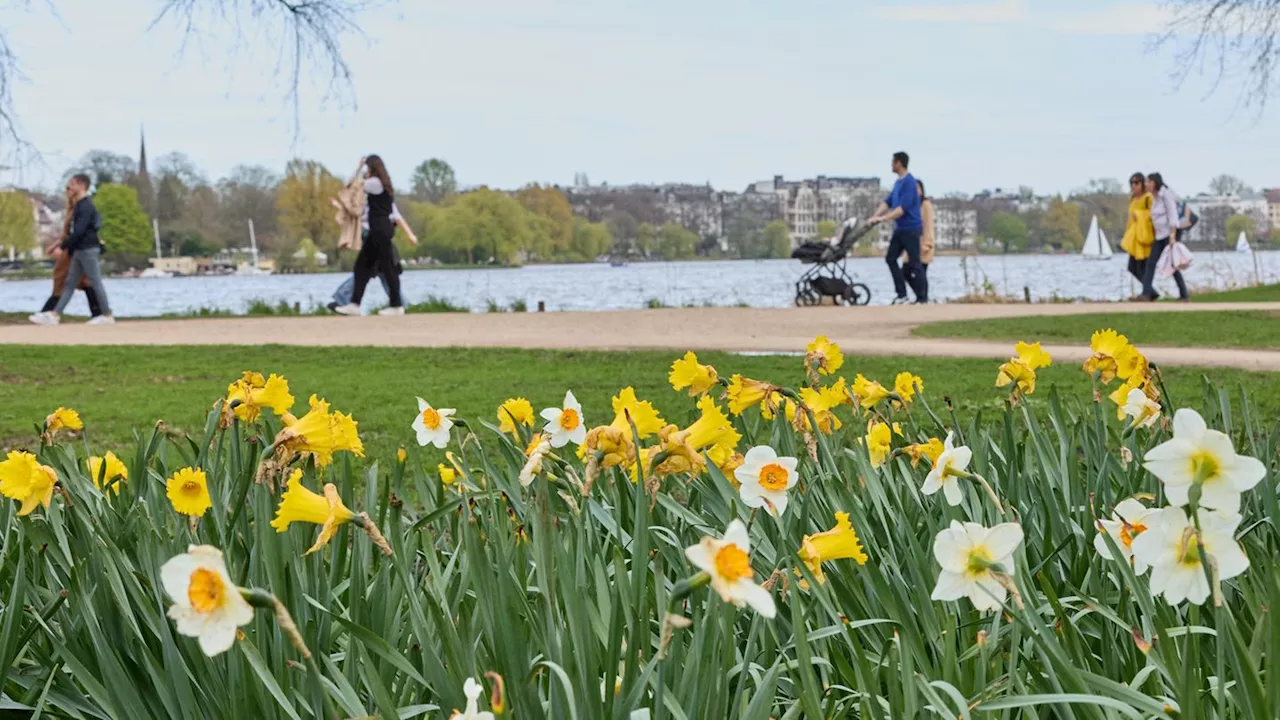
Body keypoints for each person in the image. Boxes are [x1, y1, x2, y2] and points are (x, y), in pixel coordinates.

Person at [331, 155, 417, 316]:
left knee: (384, 268)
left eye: (367, 168)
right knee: (368, 267)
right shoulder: (384, 185)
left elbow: (349, 187)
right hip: (383, 229)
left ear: (371, 168)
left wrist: (357, 169)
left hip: (378, 230)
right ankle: (357, 304)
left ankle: (394, 305)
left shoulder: (374, 183)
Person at [29, 174, 115, 325]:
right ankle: (55, 315)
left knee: (94, 282)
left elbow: (80, 230)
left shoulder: (86, 205)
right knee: (69, 283)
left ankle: (106, 315)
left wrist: (63, 247)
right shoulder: (80, 205)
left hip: (87, 248)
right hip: (79, 249)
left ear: (81, 186)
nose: (69, 186)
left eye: (72, 184)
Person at [35, 184, 102, 318]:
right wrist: (55, 245)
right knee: (80, 280)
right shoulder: (72, 209)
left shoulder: (81, 209)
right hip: (73, 248)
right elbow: (66, 233)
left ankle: (49, 311)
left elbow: (78, 232)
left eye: (69, 189)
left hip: (75, 249)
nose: (67, 191)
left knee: (66, 278)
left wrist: (61, 246)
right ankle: (98, 312)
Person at [867, 151, 926, 304]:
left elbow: (901, 209)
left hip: (911, 228)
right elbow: (888, 202)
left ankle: (922, 298)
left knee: (914, 263)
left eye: (893, 162)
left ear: (899, 163)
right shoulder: (898, 183)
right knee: (890, 258)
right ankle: (902, 294)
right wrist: (874, 216)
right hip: (900, 229)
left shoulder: (909, 182)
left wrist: (883, 219)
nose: (891, 165)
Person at [1140, 172, 1189, 302]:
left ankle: (1184, 295)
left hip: (1170, 234)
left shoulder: (1166, 194)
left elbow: (1172, 214)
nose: (1146, 184)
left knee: (1173, 264)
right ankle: (1146, 293)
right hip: (1159, 235)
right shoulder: (1153, 198)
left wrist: (1172, 236)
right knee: (1151, 263)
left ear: (1155, 183)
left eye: (1149, 182)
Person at [1120, 172, 1154, 288]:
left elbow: (1153, 214)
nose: (1133, 185)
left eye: (1136, 183)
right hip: (1134, 239)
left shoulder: (1148, 198)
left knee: (1141, 267)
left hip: (1144, 238)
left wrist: (1140, 215)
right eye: (1131, 183)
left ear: (1142, 184)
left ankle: (1149, 292)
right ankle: (1149, 291)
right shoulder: (1133, 199)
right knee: (1132, 268)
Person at [903, 179, 935, 299]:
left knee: (921, 272)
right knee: (905, 271)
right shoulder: (910, 206)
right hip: (911, 244)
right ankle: (920, 296)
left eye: (917, 188)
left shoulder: (925, 205)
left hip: (923, 244)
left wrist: (927, 244)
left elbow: (928, 225)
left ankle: (922, 298)